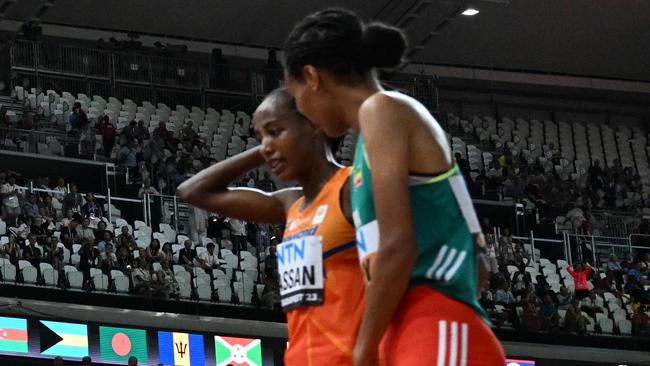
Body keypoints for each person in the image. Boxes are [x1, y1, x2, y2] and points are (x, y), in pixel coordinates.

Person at [283, 8, 504, 365]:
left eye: (296, 98)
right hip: (413, 327)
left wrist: (364, 348)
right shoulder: (369, 141)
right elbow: (479, 264)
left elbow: (398, 246)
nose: (303, 112)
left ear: (311, 77)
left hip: (434, 323)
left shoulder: (381, 110)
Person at [178, 87, 365, 365]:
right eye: (260, 137)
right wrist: (269, 146)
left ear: (314, 123)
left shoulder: (353, 189)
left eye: (276, 131)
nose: (266, 145)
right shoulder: (290, 204)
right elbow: (193, 191)